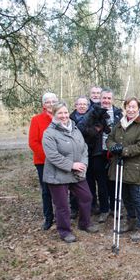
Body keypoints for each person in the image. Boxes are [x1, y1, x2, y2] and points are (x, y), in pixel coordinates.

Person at [42, 102, 98, 243]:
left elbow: (84, 148)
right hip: (57, 175)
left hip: (76, 173)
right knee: (63, 206)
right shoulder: (49, 133)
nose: (64, 116)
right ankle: (64, 231)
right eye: (60, 113)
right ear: (54, 115)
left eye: (66, 112)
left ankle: (85, 224)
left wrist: (83, 164)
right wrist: (72, 165)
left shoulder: (75, 129)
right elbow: (52, 155)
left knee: (86, 197)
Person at [106, 97, 140, 242]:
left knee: (137, 196)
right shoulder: (120, 124)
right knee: (125, 196)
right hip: (120, 167)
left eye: (134, 107)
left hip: (134, 167)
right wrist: (113, 147)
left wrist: (124, 150)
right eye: (128, 107)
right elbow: (109, 139)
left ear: (138, 109)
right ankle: (130, 220)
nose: (131, 110)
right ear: (125, 108)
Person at [78, 88, 123, 223]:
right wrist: (95, 130)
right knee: (102, 183)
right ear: (100, 99)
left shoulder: (118, 113)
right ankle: (104, 209)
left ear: (112, 100)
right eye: (104, 98)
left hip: (114, 153)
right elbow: (80, 128)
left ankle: (115, 208)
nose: (106, 101)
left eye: (109, 98)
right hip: (97, 152)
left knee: (113, 181)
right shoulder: (92, 112)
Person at [29, 92, 58, 230]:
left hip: (61, 161)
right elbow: (33, 142)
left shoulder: (62, 117)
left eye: (53, 101)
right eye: (48, 102)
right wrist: (50, 157)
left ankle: (62, 216)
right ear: (43, 105)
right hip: (43, 161)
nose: (51, 104)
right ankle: (48, 217)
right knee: (46, 191)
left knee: (61, 189)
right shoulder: (37, 120)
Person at [69, 96, 90, 218]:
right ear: (75, 106)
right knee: (73, 182)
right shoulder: (70, 118)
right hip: (73, 156)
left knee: (85, 183)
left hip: (87, 154)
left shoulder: (92, 118)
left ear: (88, 106)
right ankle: (74, 208)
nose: (82, 106)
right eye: (79, 104)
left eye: (84, 104)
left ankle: (87, 208)